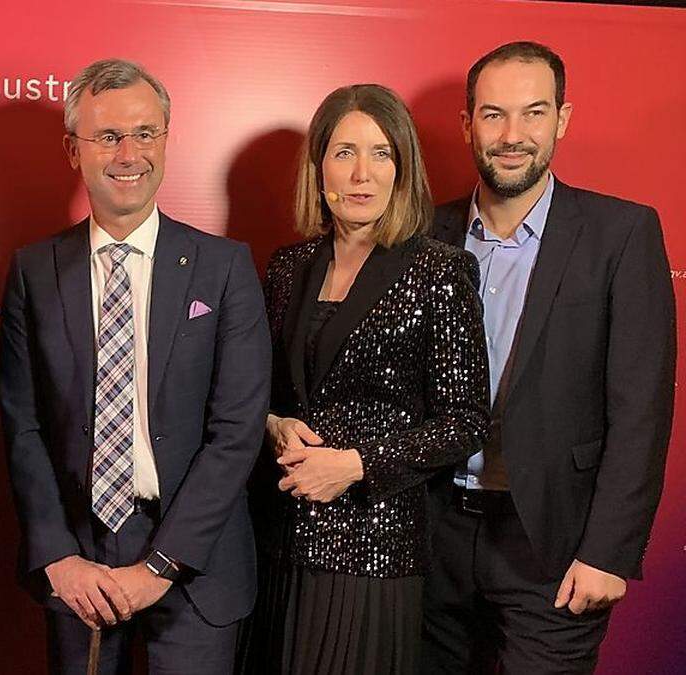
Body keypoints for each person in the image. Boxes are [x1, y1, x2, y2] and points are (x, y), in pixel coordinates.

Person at [0, 58, 271, 675]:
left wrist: (161, 564)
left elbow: (237, 430)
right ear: (74, 150)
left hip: (194, 561)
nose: (129, 154)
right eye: (108, 136)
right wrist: (58, 558)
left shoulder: (223, 268)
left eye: (145, 133)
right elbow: (22, 426)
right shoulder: (34, 272)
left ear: (167, 140)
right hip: (78, 565)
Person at [421, 41, 675, 674]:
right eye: (493, 115)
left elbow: (642, 408)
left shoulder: (622, 234)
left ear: (562, 119)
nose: (512, 135)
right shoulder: (422, 233)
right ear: (466, 124)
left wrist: (610, 553)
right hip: (431, 533)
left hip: (554, 544)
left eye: (533, 113)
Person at [238, 84, 490, 675]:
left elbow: (466, 421)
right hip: (278, 541)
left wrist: (355, 465)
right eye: (345, 152)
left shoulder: (440, 270)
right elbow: (261, 394)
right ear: (319, 163)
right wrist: (272, 425)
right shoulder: (287, 267)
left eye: (381, 154)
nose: (362, 174)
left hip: (371, 547)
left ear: (402, 168)